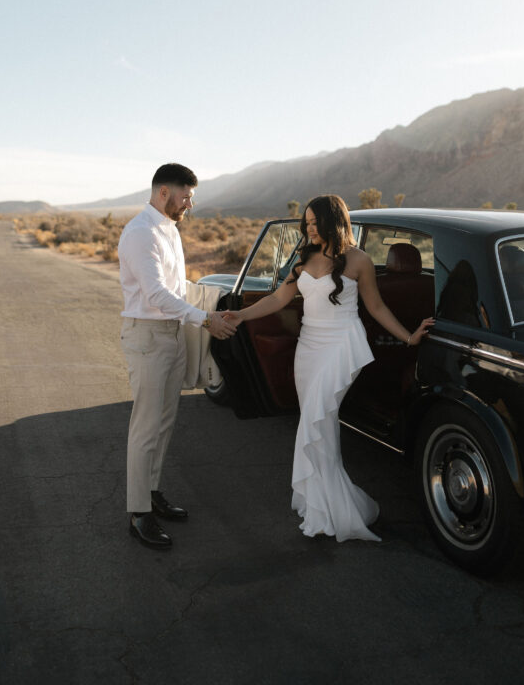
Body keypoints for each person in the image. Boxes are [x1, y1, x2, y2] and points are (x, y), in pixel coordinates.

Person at [224, 195, 434, 543]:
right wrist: (241, 315)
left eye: (313, 222)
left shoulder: (359, 261)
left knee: (318, 420)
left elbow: (377, 307)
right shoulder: (304, 258)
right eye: (305, 223)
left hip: (340, 347)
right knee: (317, 423)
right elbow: (278, 298)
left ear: (332, 221)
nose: (308, 229)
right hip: (308, 348)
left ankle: (336, 512)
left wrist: (409, 337)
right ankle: (325, 506)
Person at [118, 163, 235, 550]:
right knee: (146, 427)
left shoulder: (169, 231)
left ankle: (151, 492)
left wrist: (215, 301)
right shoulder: (140, 233)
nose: (190, 204)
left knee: (164, 423)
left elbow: (178, 286)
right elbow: (155, 295)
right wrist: (205, 320)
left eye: (192, 198)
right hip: (148, 337)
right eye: (186, 197)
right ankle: (138, 514)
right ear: (164, 192)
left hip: (171, 335)